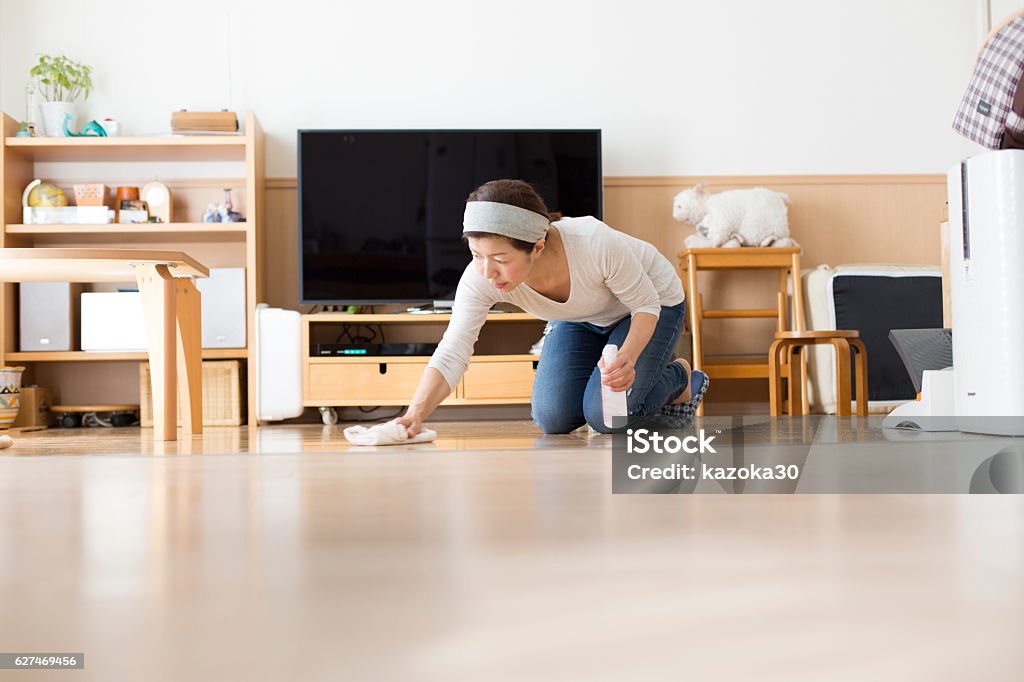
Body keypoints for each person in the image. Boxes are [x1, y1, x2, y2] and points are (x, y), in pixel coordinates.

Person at [394, 179, 708, 436]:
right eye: (476, 254)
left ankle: (679, 377)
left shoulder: (594, 244)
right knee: (552, 418)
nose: (487, 272)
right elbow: (453, 350)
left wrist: (626, 357)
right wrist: (414, 414)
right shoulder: (480, 277)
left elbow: (645, 304)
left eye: (501, 260)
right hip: (579, 317)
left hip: (649, 304)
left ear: (538, 247)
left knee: (606, 419)